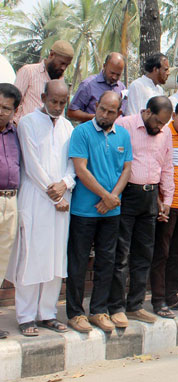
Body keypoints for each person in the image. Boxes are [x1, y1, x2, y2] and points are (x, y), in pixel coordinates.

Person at [7, 80, 75, 336]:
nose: (57, 107)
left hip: (62, 201)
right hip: (36, 199)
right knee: (31, 257)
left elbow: (73, 162)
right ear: (44, 97)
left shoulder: (68, 126)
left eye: (62, 102)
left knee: (56, 258)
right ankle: (25, 317)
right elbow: (32, 166)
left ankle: (47, 313)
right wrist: (55, 194)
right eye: (53, 101)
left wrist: (66, 183)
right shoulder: (27, 123)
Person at [66, 91, 132, 333]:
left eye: (110, 111)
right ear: (96, 105)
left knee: (107, 262)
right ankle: (75, 313)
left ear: (119, 113)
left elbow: (126, 169)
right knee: (78, 262)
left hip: (111, 213)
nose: (105, 114)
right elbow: (81, 170)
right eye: (102, 109)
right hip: (84, 211)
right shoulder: (81, 132)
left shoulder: (123, 135)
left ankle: (99, 311)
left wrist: (112, 198)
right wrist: (107, 196)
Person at [108, 96, 174, 326]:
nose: (159, 127)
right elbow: (114, 161)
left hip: (150, 196)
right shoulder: (124, 125)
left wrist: (167, 198)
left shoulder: (165, 133)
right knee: (121, 253)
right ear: (146, 112)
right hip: (126, 194)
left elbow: (167, 166)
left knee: (144, 253)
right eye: (157, 121)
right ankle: (115, 306)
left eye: (164, 124)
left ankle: (135, 305)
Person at [149, 100, 178, 319]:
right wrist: (160, 200)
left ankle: (172, 297)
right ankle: (158, 300)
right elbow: (159, 168)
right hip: (166, 206)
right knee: (161, 254)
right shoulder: (164, 134)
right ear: (174, 116)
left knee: (177, 254)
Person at [0, 83, 22, 339]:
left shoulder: (16, 133)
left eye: (6, 108)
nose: (1, 112)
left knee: (2, 264)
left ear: (15, 111)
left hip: (11, 201)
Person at [13, 40, 74, 122]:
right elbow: (13, 103)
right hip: (25, 130)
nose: (63, 68)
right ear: (51, 55)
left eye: (67, 65)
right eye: (62, 63)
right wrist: (16, 125)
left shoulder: (60, 81)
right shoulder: (28, 71)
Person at [68, 52, 126, 123]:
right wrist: (95, 118)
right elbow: (71, 112)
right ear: (104, 66)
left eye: (118, 75)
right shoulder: (88, 85)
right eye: (112, 73)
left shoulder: (122, 88)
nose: (114, 77)